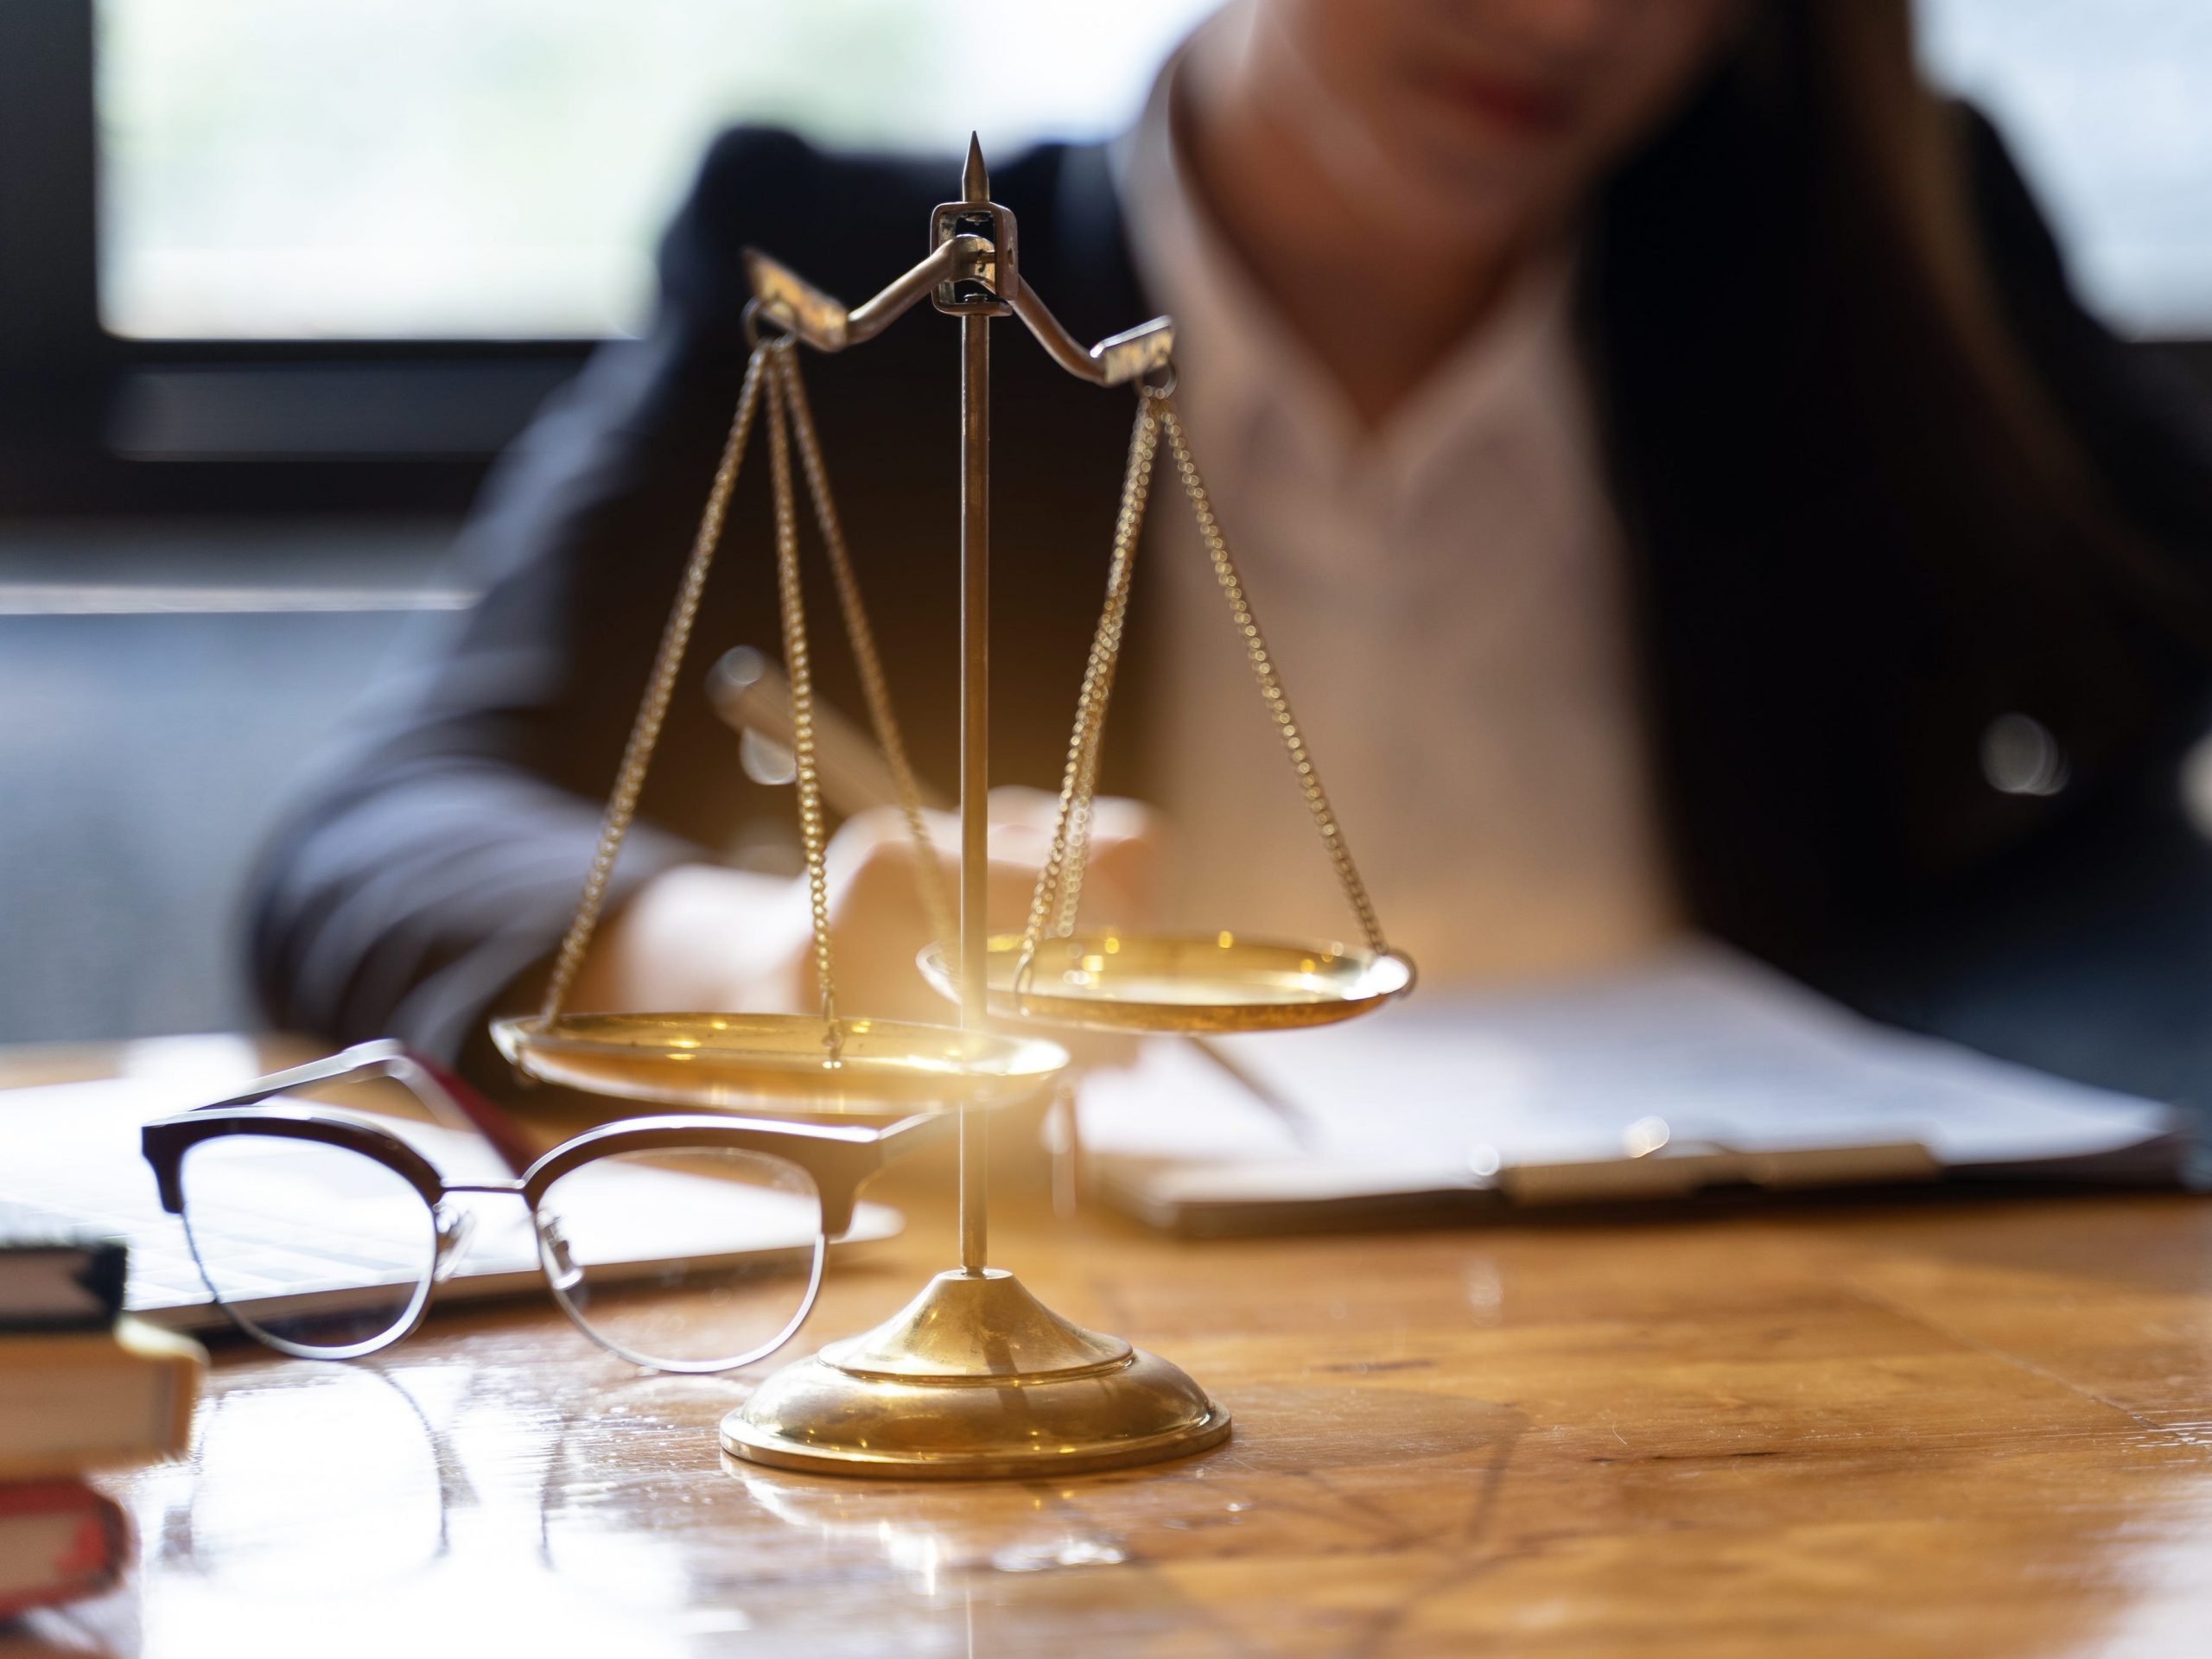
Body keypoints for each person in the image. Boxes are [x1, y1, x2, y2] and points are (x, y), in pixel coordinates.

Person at [251, 0, 2212, 1108]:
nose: (1565, 18)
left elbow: (2131, 709)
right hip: (1149, 1425)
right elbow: (377, 833)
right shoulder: (863, 290)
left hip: (1795, 1380)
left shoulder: (1866, 270)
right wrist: (769, 960)